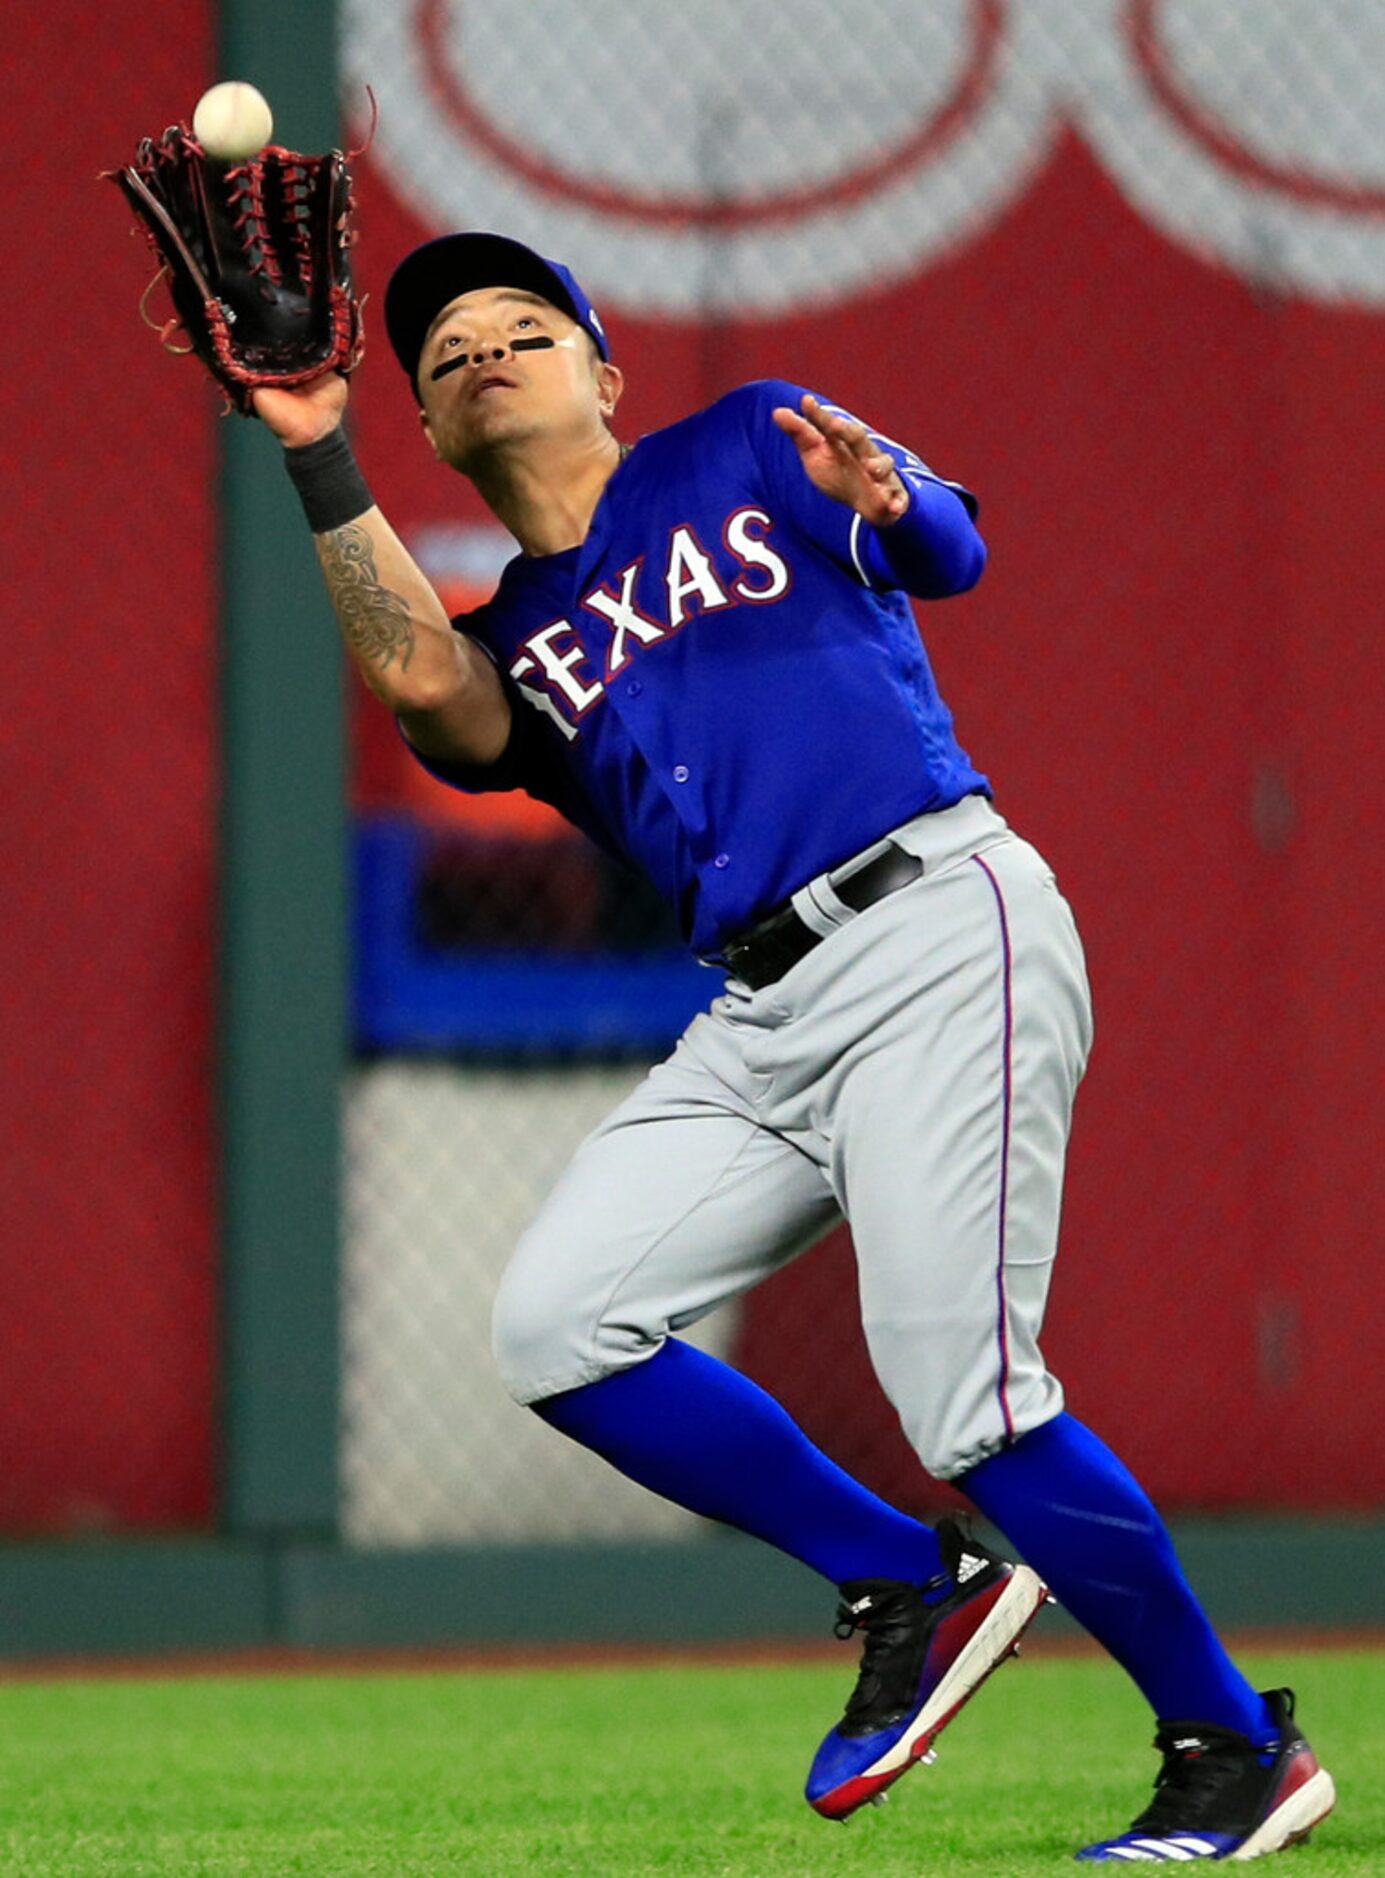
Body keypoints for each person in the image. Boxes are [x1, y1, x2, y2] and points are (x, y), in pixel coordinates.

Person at [256, 231, 1335, 1862]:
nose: (480, 345)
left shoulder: (747, 441)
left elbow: (956, 552)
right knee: (558, 1324)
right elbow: (421, 675)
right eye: (447, 347)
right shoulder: (524, 628)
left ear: (605, 374)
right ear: (427, 416)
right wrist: (309, 438)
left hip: (931, 919)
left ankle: (1234, 1743)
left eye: (521, 324)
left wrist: (896, 501)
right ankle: (908, 1578)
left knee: (969, 1402)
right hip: (762, 1010)